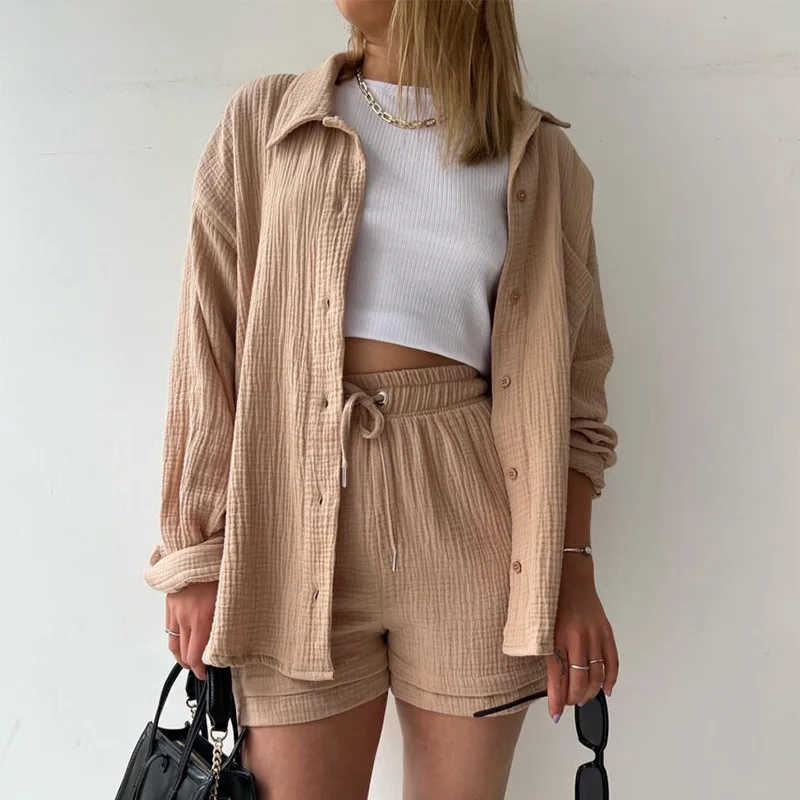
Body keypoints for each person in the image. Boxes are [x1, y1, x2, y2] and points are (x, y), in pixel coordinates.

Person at [145, 1, 620, 797]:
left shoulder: (539, 158)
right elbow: (207, 341)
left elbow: (576, 392)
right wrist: (195, 551)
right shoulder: (267, 121)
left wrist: (572, 569)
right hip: (289, 518)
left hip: (471, 521)